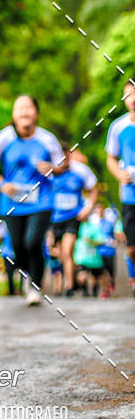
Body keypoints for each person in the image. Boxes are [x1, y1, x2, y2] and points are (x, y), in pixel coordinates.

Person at [0, 95, 64, 306]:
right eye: (19, 108)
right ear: (14, 114)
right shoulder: (4, 137)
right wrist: (2, 184)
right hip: (12, 203)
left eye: (28, 108)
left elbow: (62, 164)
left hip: (41, 201)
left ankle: (35, 286)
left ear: (37, 112)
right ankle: (27, 276)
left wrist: (52, 168)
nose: (24, 112)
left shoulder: (47, 139)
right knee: (17, 246)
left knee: (33, 242)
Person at [49, 145, 98, 296]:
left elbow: (94, 189)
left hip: (73, 217)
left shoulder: (80, 170)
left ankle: (69, 286)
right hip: (54, 218)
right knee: (61, 254)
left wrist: (88, 209)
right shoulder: (50, 172)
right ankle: (72, 277)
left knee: (67, 250)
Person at [105, 78, 135, 298]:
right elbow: (111, 158)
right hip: (129, 195)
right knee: (132, 247)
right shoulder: (118, 127)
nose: (132, 99)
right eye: (128, 95)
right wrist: (119, 175)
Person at [73, 217, 105, 297]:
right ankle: (85, 291)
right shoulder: (76, 225)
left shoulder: (94, 226)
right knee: (82, 275)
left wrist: (91, 241)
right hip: (81, 257)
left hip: (93, 258)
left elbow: (101, 240)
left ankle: (94, 293)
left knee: (96, 277)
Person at [0, 220, 18, 295]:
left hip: (20, 252)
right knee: (9, 273)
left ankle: (20, 290)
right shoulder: (4, 224)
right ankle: (11, 290)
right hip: (8, 253)